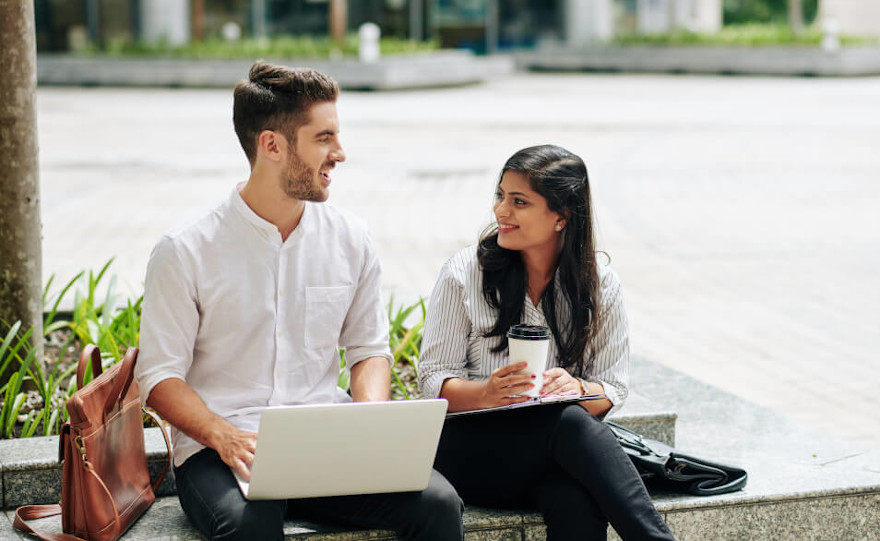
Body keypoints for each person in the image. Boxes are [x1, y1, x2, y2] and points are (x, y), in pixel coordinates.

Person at [134, 61, 463, 541]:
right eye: (323, 138)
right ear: (272, 145)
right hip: (222, 449)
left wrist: (371, 423)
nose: (340, 153)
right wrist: (223, 435)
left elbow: (368, 349)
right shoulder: (185, 249)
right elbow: (160, 377)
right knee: (251, 524)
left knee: (437, 503)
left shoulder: (352, 238)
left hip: (324, 439)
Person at [418, 144, 675, 540]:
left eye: (519, 201)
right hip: (467, 454)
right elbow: (433, 380)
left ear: (562, 216)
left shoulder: (601, 284)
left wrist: (578, 389)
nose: (501, 211)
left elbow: (613, 388)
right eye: (500, 196)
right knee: (569, 422)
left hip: (546, 461)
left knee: (575, 499)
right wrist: (488, 392)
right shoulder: (465, 271)